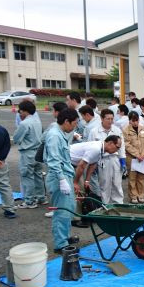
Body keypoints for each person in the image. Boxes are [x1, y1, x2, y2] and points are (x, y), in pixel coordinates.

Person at [44, 108, 79, 253]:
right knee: (62, 211)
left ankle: (65, 236)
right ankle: (60, 244)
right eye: (74, 124)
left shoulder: (60, 133)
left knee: (69, 208)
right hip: (59, 177)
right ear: (66, 121)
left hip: (65, 175)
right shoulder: (54, 136)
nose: (74, 127)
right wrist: (62, 179)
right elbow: (53, 160)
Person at [88, 109, 125, 204]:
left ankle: (118, 204)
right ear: (102, 119)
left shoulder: (117, 130)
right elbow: (90, 148)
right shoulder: (94, 132)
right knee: (105, 185)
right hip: (103, 160)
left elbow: (121, 147)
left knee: (117, 184)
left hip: (115, 159)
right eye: (108, 119)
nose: (110, 121)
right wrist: (92, 164)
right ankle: (105, 205)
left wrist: (123, 161)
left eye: (112, 119)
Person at [13, 100, 45, 208]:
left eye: (20, 111)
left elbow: (16, 138)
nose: (19, 113)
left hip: (28, 152)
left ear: (24, 111)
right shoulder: (37, 121)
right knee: (38, 175)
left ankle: (29, 201)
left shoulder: (24, 123)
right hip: (38, 152)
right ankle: (41, 197)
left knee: (27, 177)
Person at [123, 112, 144, 203]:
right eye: (133, 121)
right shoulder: (125, 130)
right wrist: (137, 155)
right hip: (132, 158)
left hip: (143, 157)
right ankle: (133, 196)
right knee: (132, 178)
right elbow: (127, 145)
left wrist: (143, 154)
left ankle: (141, 195)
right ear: (129, 120)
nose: (135, 123)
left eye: (137, 120)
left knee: (142, 177)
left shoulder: (143, 129)